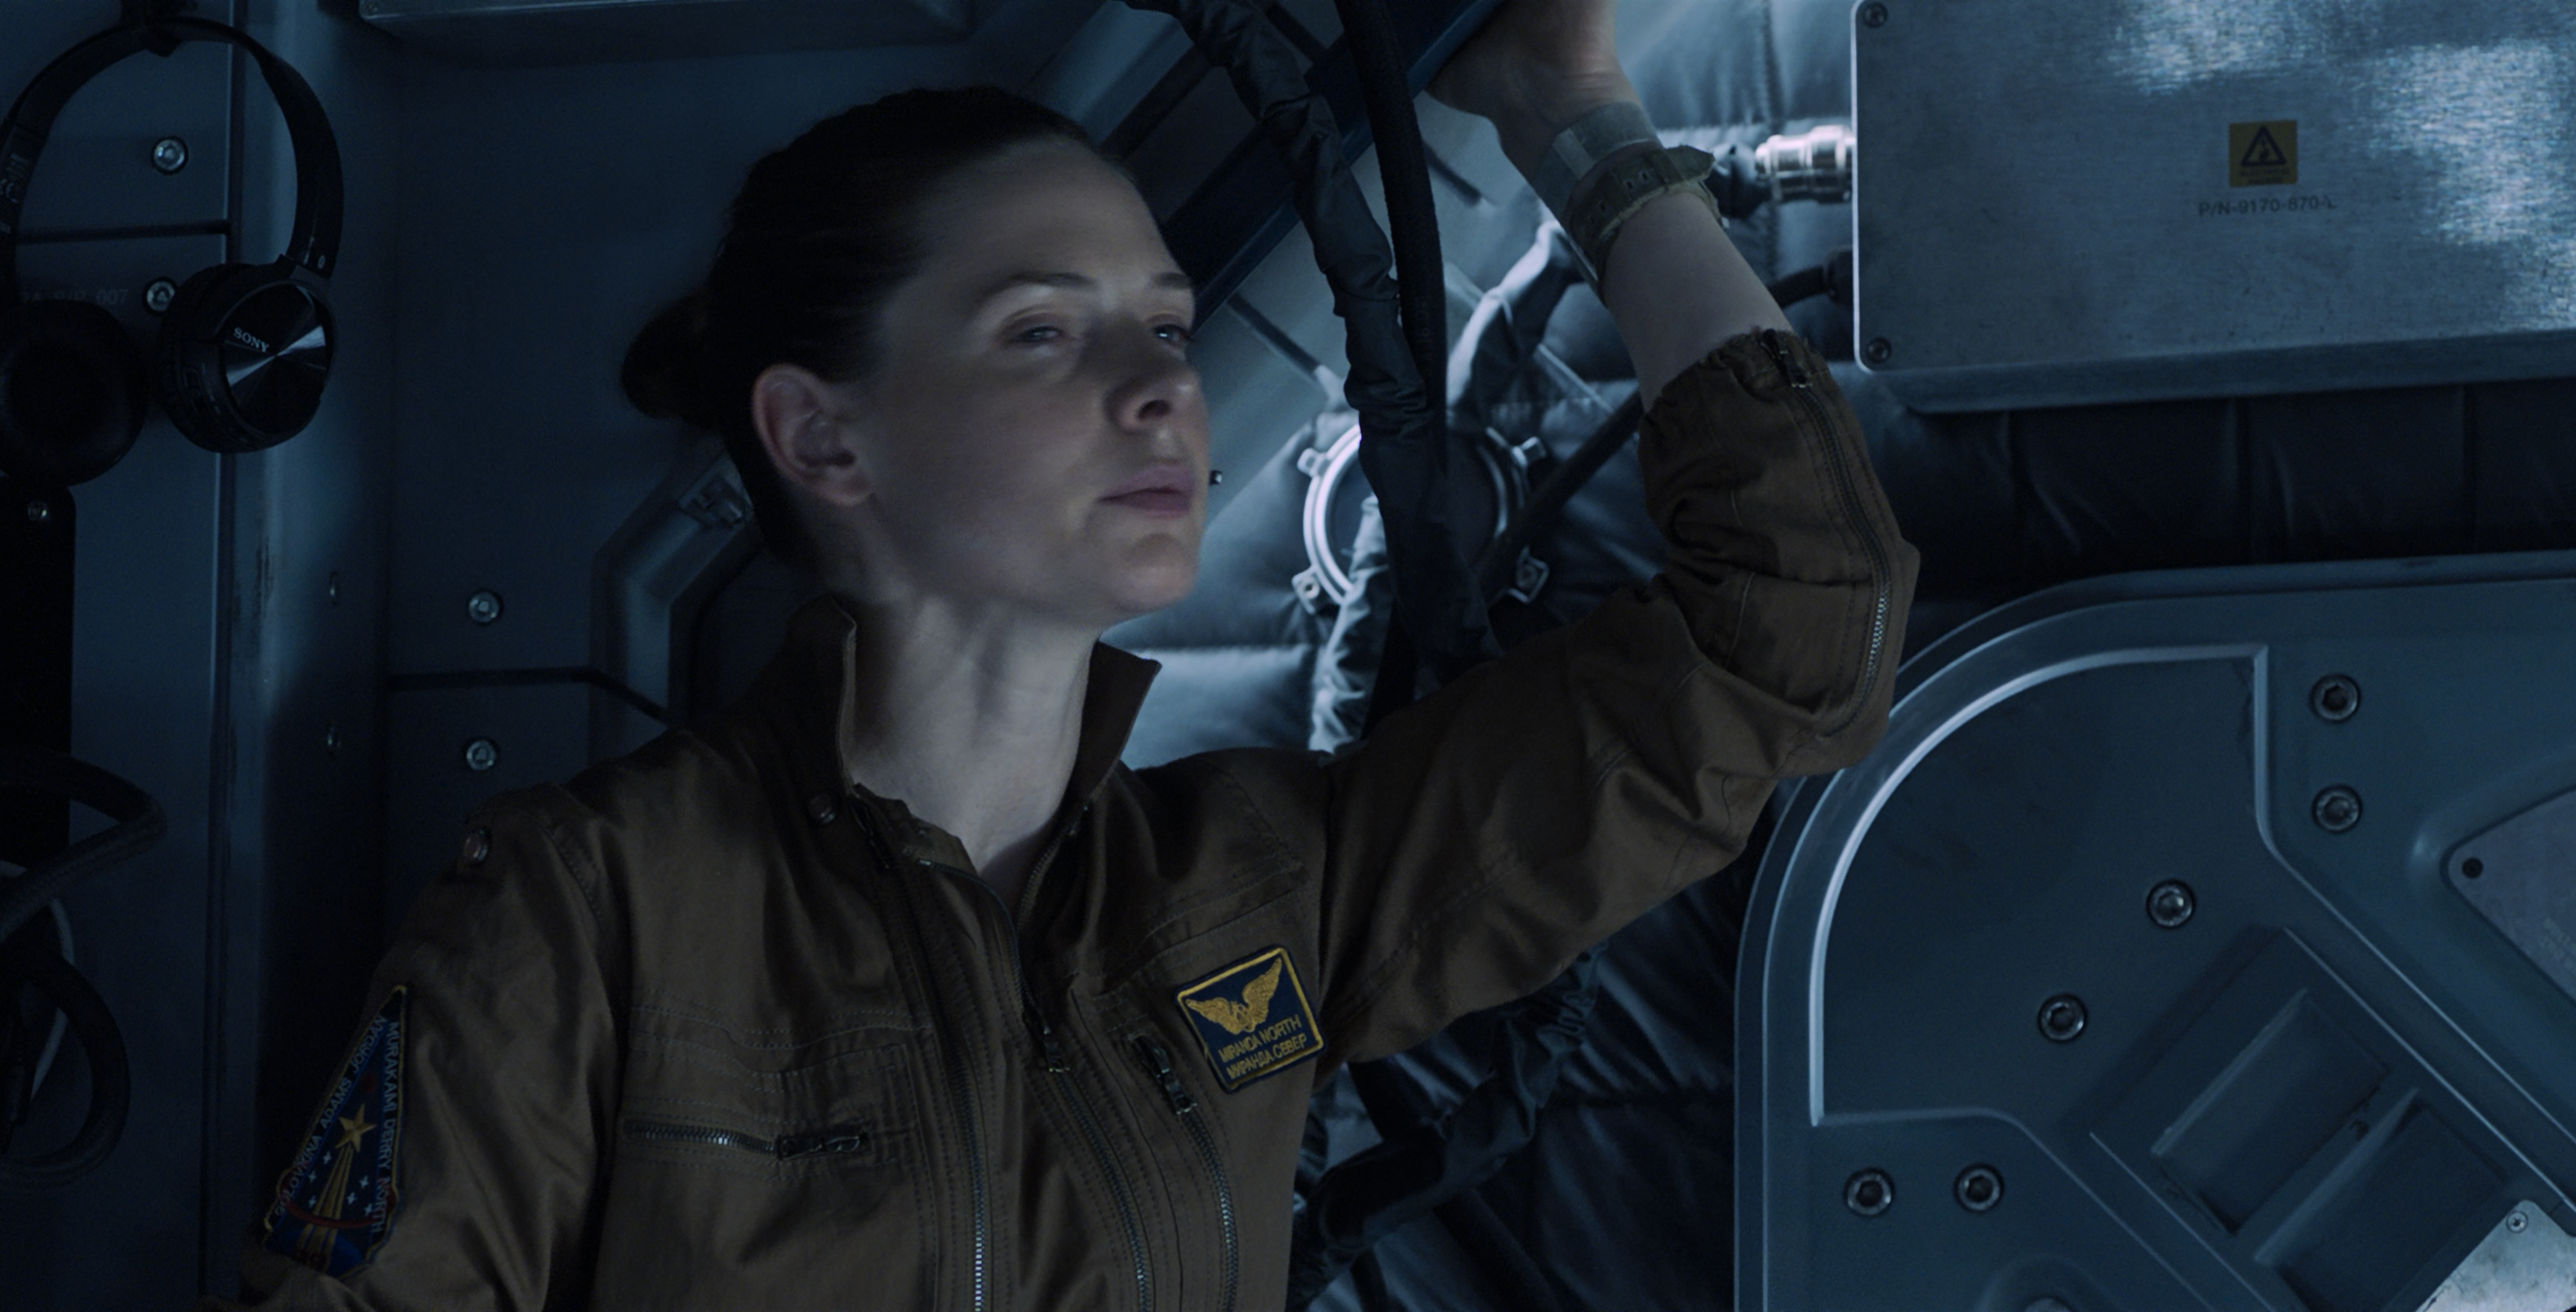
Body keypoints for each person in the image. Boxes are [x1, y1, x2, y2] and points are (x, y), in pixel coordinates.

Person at [235, 0, 1912, 1305]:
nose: (1161, 384)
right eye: (1043, 330)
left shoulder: (1267, 895)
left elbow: (1794, 626)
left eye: (1168, 325)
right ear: (823, 439)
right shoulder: (588, 909)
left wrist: (1574, 116)